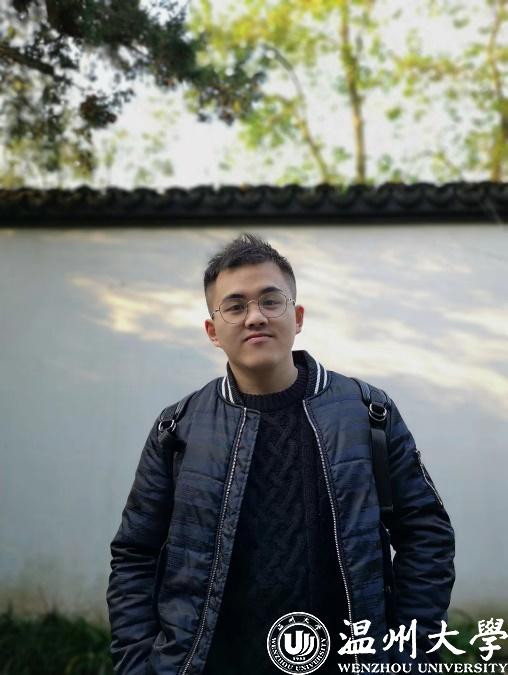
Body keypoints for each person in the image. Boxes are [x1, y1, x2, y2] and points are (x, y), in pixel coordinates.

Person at [106, 233, 455, 675]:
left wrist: (410, 656)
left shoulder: (368, 412)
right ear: (213, 331)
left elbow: (425, 534)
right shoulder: (178, 428)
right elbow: (136, 553)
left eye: (271, 301)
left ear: (298, 316)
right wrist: (139, 664)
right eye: (235, 306)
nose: (255, 317)